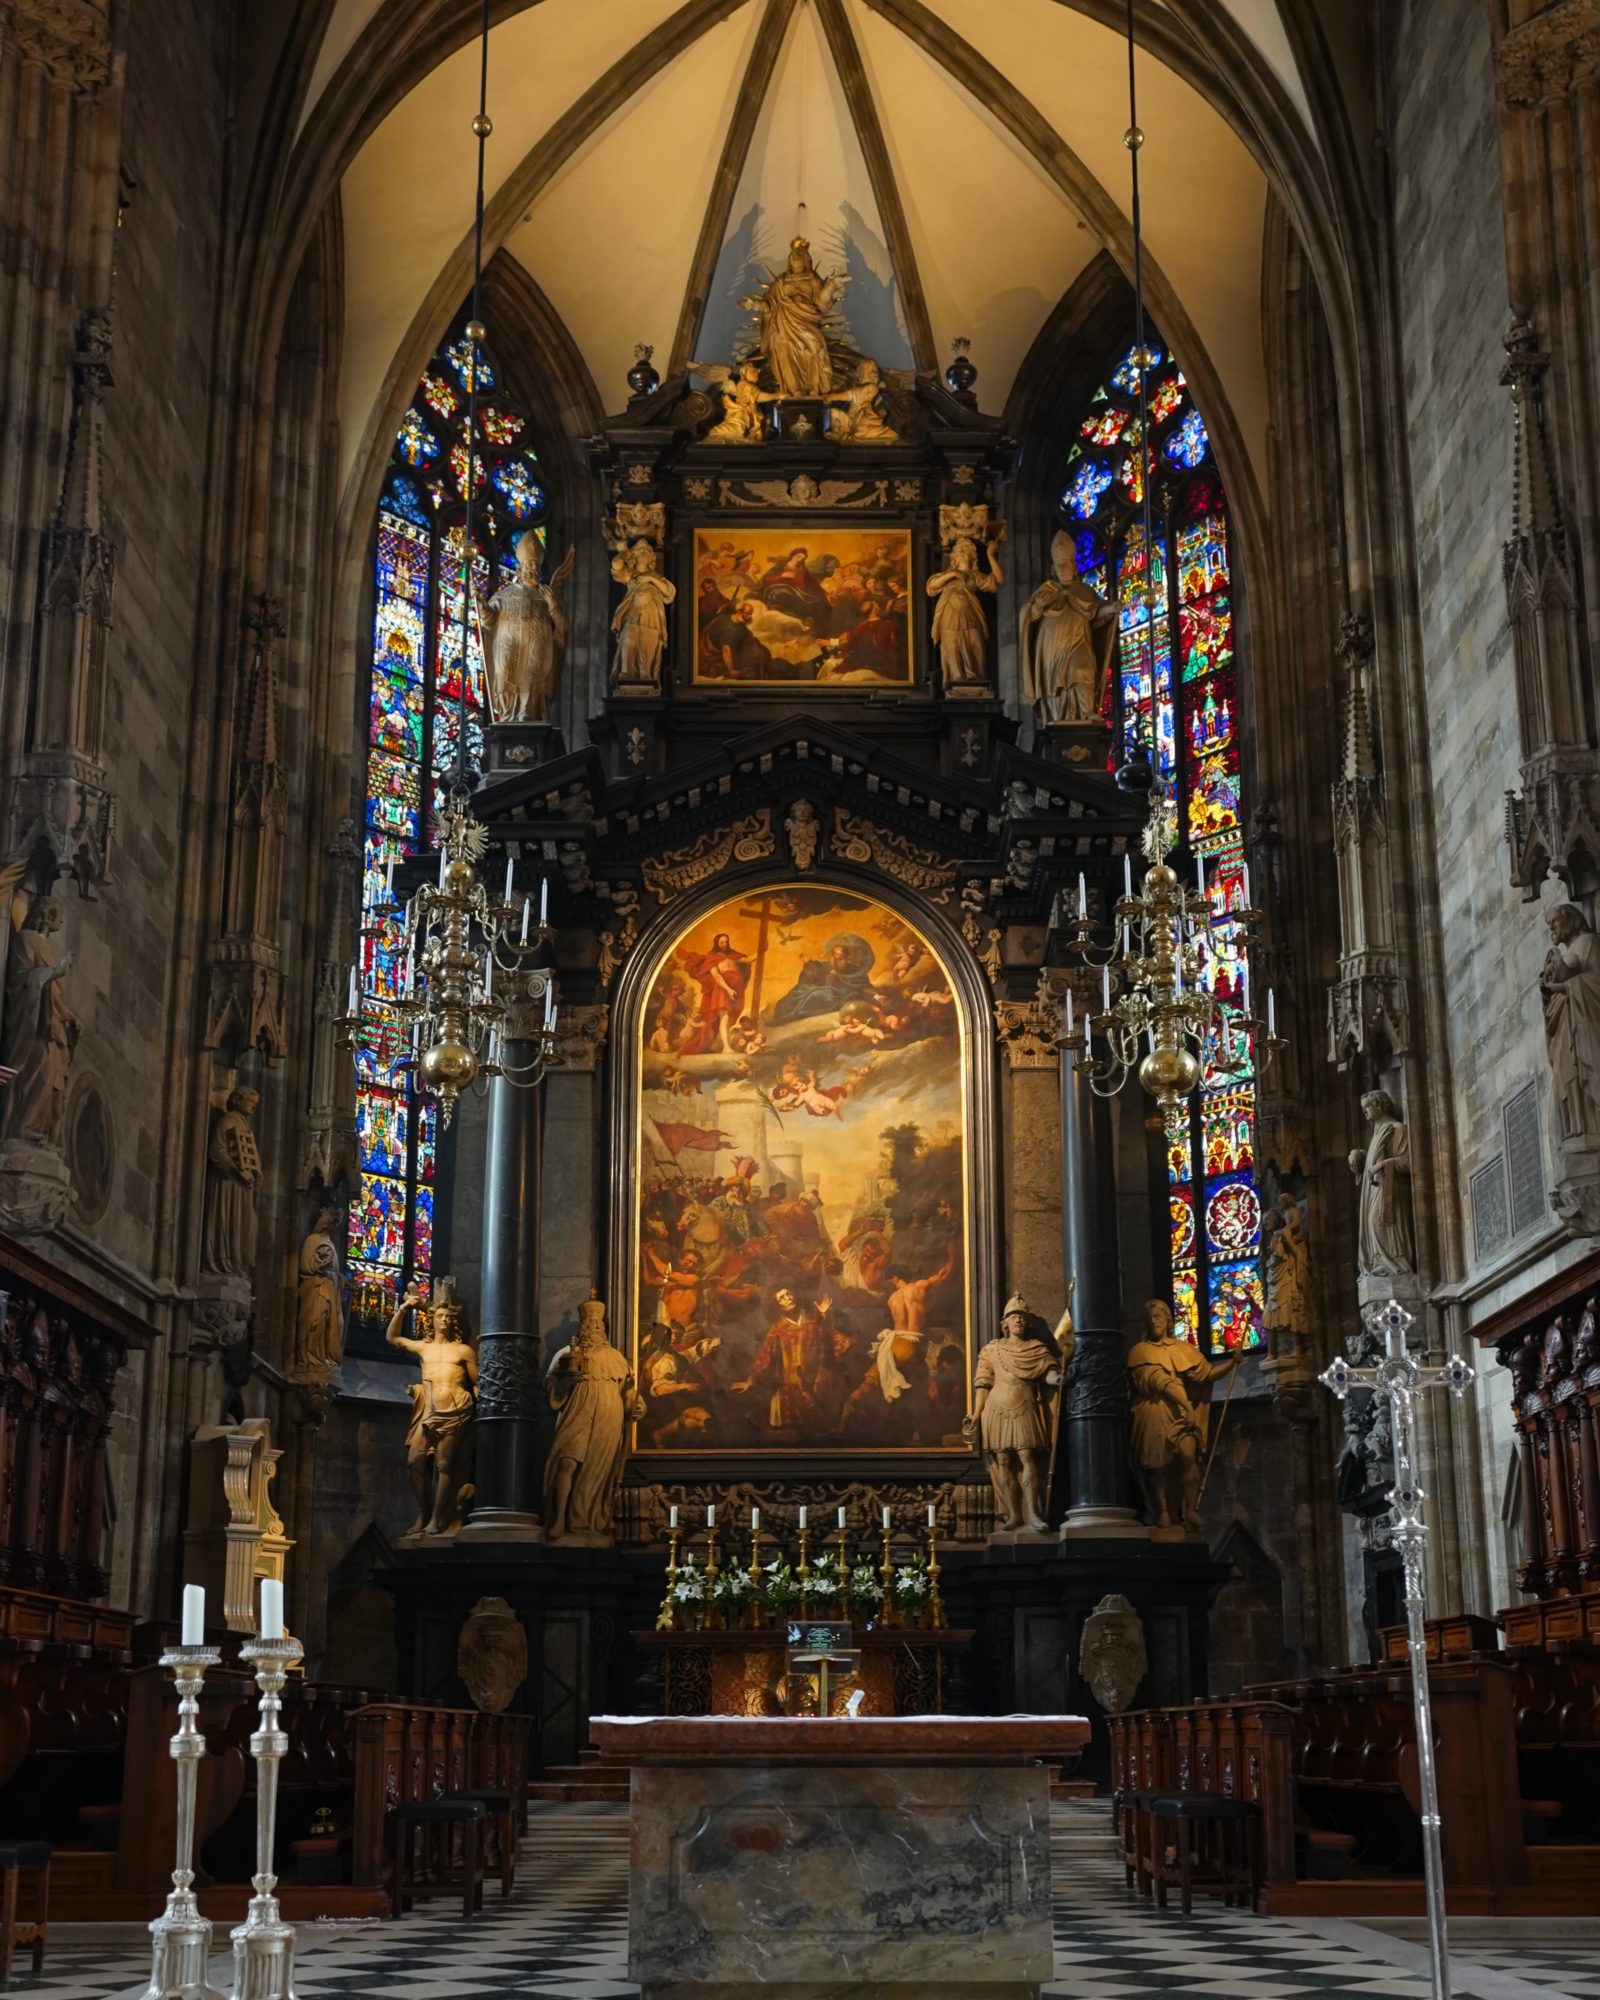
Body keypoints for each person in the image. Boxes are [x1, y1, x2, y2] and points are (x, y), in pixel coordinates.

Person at [1126, 1297, 1239, 1531]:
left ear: (1168, 1321)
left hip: (1180, 1412)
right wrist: (1186, 1405)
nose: (1154, 1321)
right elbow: (1157, 1381)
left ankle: (1190, 1510)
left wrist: (1231, 1364)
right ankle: (1163, 1512)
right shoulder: (1140, 1352)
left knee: (1188, 1456)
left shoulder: (1182, 1349)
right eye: (1150, 1318)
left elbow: (1205, 1374)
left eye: (1158, 1317)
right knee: (1157, 1465)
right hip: (1155, 1410)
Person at [543, 1293, 641, 1542]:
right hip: (578, 1412)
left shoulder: (616, 1358)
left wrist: (637, 1405)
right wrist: (566, 1381)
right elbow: (551, 1386)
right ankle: (559, 1519)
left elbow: (628, 1392)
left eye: (599, 1324)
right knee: (567, 1461)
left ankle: (586, 1520)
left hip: (608, 1416)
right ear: (582, 1325)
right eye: (590, 1324)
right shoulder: (566, 1353)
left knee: (597, 1469)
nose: (595, 1328)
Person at [387, 1279, 477, 1536]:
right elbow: (392, 1337)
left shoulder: (464, 1351)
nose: (445, 1320)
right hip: (429, 1413)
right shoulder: (423, 1348)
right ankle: (424, 1511)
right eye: (440, 1315)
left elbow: (477, 1383)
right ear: (432, 1320)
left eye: (449, 1316)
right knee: (414, 1461)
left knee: (445, 1465)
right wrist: (405, 1307)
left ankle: (437, 1518)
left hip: (457, 1410)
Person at [964, 1293, 1061, 1532]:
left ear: (1026, 1323)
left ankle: (1034, 1513)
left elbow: (1047, 1372)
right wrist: (976, 1414)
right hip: (996, 1409)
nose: (1017, 1320)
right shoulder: (992, 1350)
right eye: (1012, 1317)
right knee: (1004, 1461)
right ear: (1004, 1324)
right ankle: (1014, 1514)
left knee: (1027, 1458)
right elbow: (982, 1384)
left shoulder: (1036, 1348)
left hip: (1024, 1407)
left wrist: (1056, 1378)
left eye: (1021, 1317)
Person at [1018, 529, 1117, 724]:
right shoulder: (1046, 590)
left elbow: (1095, 614)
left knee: (1082, 669)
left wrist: (1109, 610)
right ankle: (1057, 717)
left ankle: (1085, 711)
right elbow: (1029, 615)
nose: (1064, 568)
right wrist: (1037, 607)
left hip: (1079, 640)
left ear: (1074, 566)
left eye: (1067, 564)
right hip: (1051, 648)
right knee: (1056, 686)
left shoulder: (1085, 592)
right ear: (1053, 568)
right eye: (1059, 564)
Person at [732, 1287, 849, 1435]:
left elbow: (828, 1340)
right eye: (781, 1298)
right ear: (777, 1306)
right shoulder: (778, 1330)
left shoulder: (813, 1320)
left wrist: (824, 1315)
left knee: (826, 1424)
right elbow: (765, 1355)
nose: (788, 1298)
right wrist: (751, 1379)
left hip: (818, 1378)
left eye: (788, 1293)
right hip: (794, 1381)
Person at [739, 238, 848, 397]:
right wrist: (753, 304)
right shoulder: (781, 282)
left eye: (800, 253)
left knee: (814, 348)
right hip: (783, 326)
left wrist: (831, 286)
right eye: (793, 254)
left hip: (806, 323)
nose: (795, 256)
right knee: (786, 354)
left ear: (807, 259)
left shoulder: (812, 279)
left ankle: (814, 388)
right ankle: (793, 388)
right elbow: (769, 303)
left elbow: (821, 303)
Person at [1541, 902, 1600, 1145]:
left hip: (1583, 1023)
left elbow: (1596, 981)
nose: (1552, 928)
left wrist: (1566, 986)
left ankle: (1590, 1126)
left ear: (1571, 919)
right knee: (1567, 1075)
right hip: (1565, 1025)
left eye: (1555, 921)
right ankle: (1576, 1127)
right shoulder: (1569, 951)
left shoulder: (1588, 943)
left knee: (1579, 1071)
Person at [926, 531, 1004, 688]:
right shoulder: (947, 574)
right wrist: (953, 574)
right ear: (953, 557)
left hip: (971, 614)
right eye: (959, 551)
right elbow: (931, 587)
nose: (962, 553)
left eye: (966, 550)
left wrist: (990, 554)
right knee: (952, 645)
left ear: (972, 557)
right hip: (949, 614)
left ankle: (974, 678)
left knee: (975, 643)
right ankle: (957, 678)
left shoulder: (975, 575)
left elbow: (998, 582)